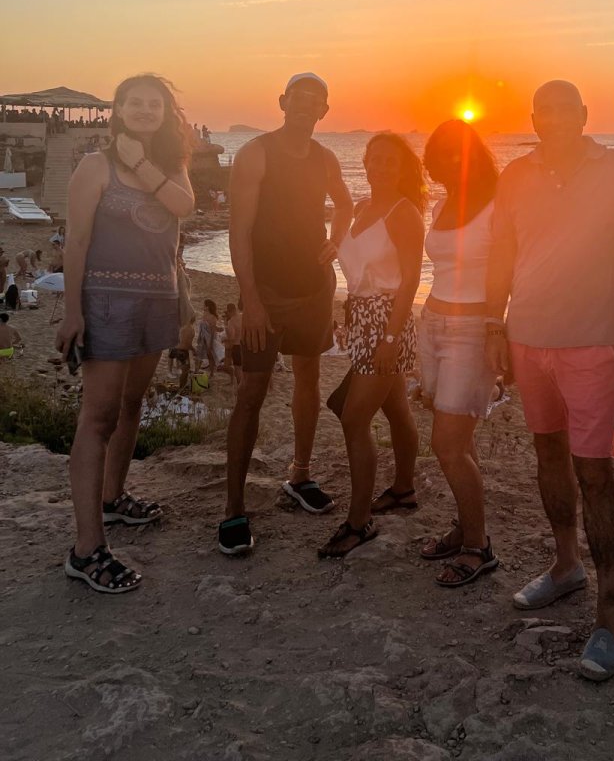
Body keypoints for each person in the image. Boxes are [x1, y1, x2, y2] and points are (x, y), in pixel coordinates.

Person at [485, 80, 614, 682]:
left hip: (589, 340)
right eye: (543, 108)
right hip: (526, 334)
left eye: (564, 107)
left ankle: (610, 612)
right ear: (533, 116)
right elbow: (502, 253)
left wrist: (604, 259)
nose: (553, 116)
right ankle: (566, 565)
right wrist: (494, 326)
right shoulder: (516, 174)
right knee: (548, 452)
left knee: (595, 472)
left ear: (584, 113)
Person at [55, 73, 194, 593]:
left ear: (166, 113)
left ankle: (113, 498)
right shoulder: (95, 166)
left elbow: (183, 209)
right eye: (135, 103)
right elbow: (76, 242)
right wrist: (72, 312)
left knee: (133, 405)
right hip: (107, 303)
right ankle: (86, 549)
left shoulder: (172, 166)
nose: (144, 111)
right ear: (118, 110)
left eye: (154, 104)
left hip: (158, 300)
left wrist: (142, 165)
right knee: (98, 418)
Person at [220, 73, 353, 556]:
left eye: (315, 100)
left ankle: (300, 475)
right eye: (298, 98)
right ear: (282, 102)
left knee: (308, 378)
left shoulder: (325, 158)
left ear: (324, 110)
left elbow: (345, 204)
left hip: (315, 289)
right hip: (268, 292)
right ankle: (234, 507)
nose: (305, 105)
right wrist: (251, 300)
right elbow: (239, 231)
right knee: (252, 392)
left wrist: (336, 242)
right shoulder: (256, 153)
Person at [319, 133, 425, 558]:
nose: (379, 167)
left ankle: (359, 522)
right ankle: (403, 489)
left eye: (389, 161)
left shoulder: (405, 213)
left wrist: (390, 338)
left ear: (403, 168)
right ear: (365, 162)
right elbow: (349, 256)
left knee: (353, 417)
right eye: (374, 159)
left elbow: (411, 281)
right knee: (396, 408)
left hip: (387, 320)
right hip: (361, 316)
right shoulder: (360, 207)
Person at [417, 120, 501, 587]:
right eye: (440, 154)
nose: (449, 161)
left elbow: (507, 272)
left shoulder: (497, 205)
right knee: (460, 440)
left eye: (458, 151)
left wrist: (497, 329)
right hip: (432, 322)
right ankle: (467, 527)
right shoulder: (443, 202)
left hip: (472, 330)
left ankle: (478, 546)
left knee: (446, 444)